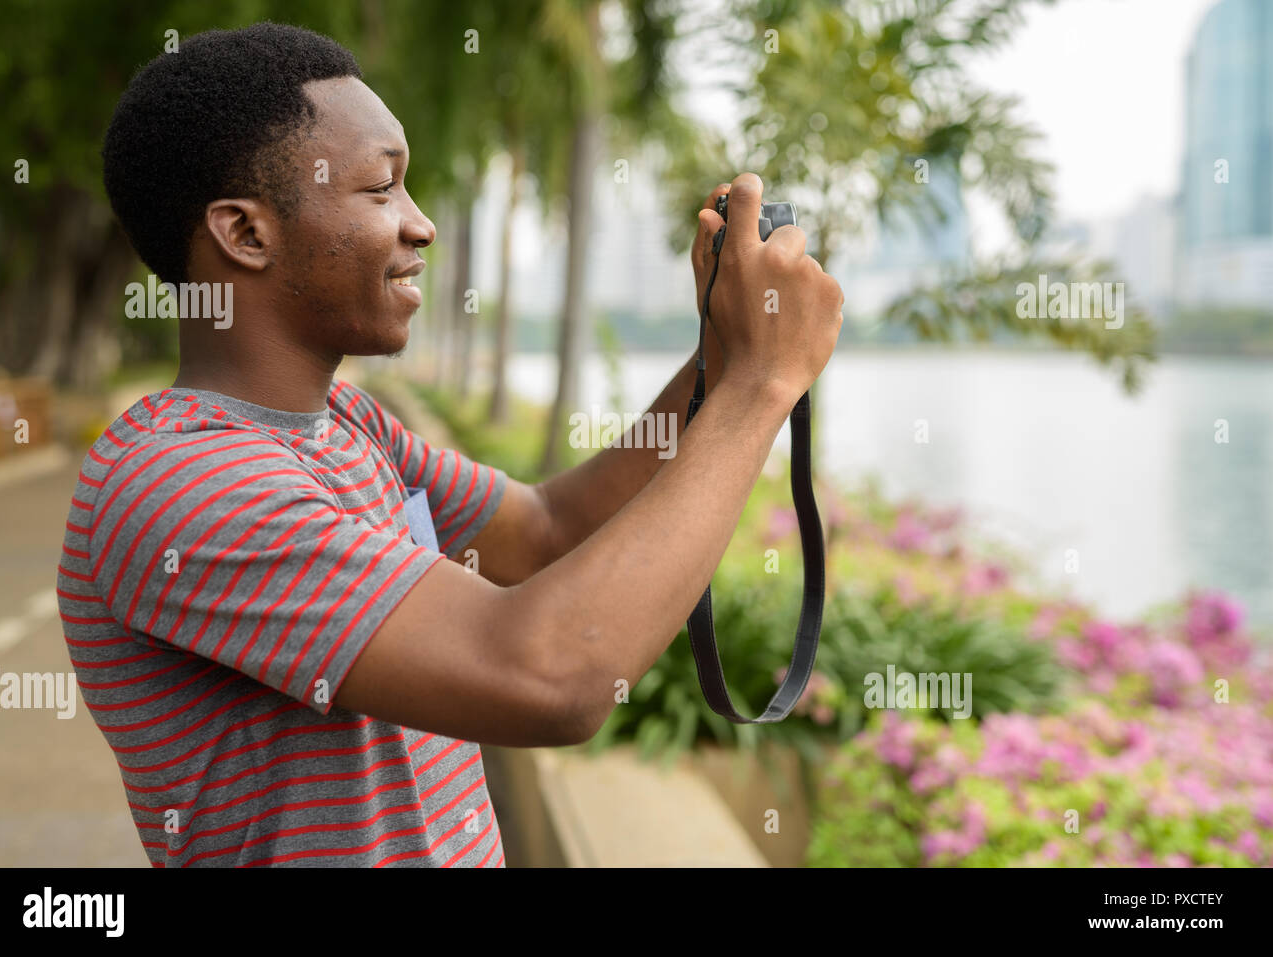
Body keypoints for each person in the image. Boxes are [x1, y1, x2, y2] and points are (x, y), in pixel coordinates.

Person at [58, 21, 842, 868]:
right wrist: (763, 388)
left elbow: (548, 529)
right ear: (245, 234)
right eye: (380, 190)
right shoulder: (181, 481)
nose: (421, 225)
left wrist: (723, 354)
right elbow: (550, 676)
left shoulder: (351, 427)